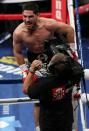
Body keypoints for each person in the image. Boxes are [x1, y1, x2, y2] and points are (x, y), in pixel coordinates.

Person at [13, 2, 75, 130]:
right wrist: (25, 71)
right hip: (34, 60)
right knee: (38, 98)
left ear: (37, 15)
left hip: (52, 56)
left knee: (62, 90)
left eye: (30, 17)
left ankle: (70, 125)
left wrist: (72, 53)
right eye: (24, 16)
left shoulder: (48, 25)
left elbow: (69, 30)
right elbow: (18, 52)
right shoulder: (19, 32)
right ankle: (38, 128)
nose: (27, 20)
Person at [23, 52, 75, 131]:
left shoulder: (44, 85)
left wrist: (32, 70)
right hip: (67, 121)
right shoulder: (72, 77)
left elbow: (26, 89)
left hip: (49, 124)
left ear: (51, 66)